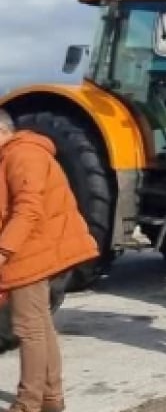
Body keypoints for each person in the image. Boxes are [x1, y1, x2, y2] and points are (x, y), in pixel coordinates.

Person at [0, 110, 98, 412]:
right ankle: (51, 398)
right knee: (40, 326)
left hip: (30, 253)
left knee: (28, 328)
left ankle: (28, 403)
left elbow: (27, 210)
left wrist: (3, 251)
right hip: (35, 249)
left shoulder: (22, 155)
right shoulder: (16, 155)